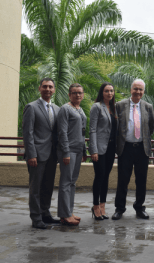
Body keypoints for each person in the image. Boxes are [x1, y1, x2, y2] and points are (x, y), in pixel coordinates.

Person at [112, 79, 154, 221]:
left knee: (141, 180)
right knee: (123, 180)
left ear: (143, 91)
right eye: (135, 89)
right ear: (131, 90)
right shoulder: (120, 105)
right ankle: (119, 209)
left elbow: (151, 127)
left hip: (142, 149)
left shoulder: (148, 107)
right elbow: (115, 127)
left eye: (141, 89)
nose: (138, 92)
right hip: (126, 148)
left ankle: (139, 208)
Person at [23, 78, 60, 229]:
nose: (47, 89)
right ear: (39, 89)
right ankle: (36, 218)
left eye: (50, 87)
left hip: (52, 155)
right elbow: (28, 133)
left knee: (48, 186)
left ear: (54, 90)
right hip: (37, 155)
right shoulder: (31, 107)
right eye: (44, 86)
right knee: (36, 188)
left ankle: (45, 213)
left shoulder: (57, 109)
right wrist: (31, 154)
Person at [57, 83, 87, 226]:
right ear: (69, 94)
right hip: (68, 151)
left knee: (72, 182)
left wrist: (84, 150)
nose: (78, 95)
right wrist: (66, 152)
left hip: (78, 150)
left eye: (80, 93)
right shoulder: (65, 109)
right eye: (74, 93)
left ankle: (69, 211)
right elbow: (62, 132)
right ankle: (64, 214)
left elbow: (82, 131)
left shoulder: (80, 109)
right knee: (65, 182)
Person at [89, 82, 117, 220]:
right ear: (102, 92)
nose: (110, 93)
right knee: (99, 176)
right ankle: (95, 206)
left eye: (111, 91)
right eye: (107, 91)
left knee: (106, 177)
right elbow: (92, 129)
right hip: (99, 149)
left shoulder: (114, 108)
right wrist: (93, 150)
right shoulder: (97, 107)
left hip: (111, 148)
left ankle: (103, 206)